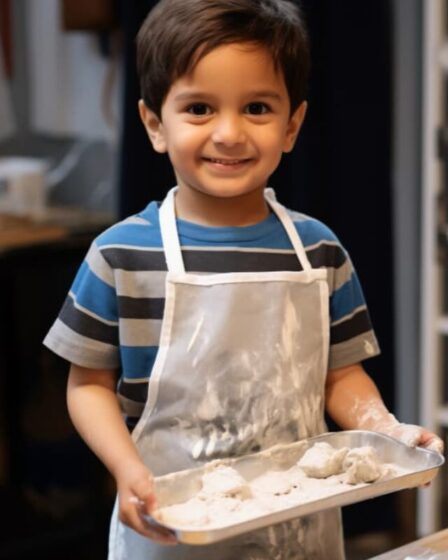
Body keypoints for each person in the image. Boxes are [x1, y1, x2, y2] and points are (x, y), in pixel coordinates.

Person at [43, 0, 443, 558]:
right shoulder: (120, 257)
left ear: (292, 126)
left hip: (298, 533)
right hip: (171, 527)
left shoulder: (320, 250)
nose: (229, 134)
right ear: (156, 125)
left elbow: (341, 377)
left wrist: (387, 432)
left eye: (256, 107)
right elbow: (87, 385)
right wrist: (126, 467)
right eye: (200, 108)